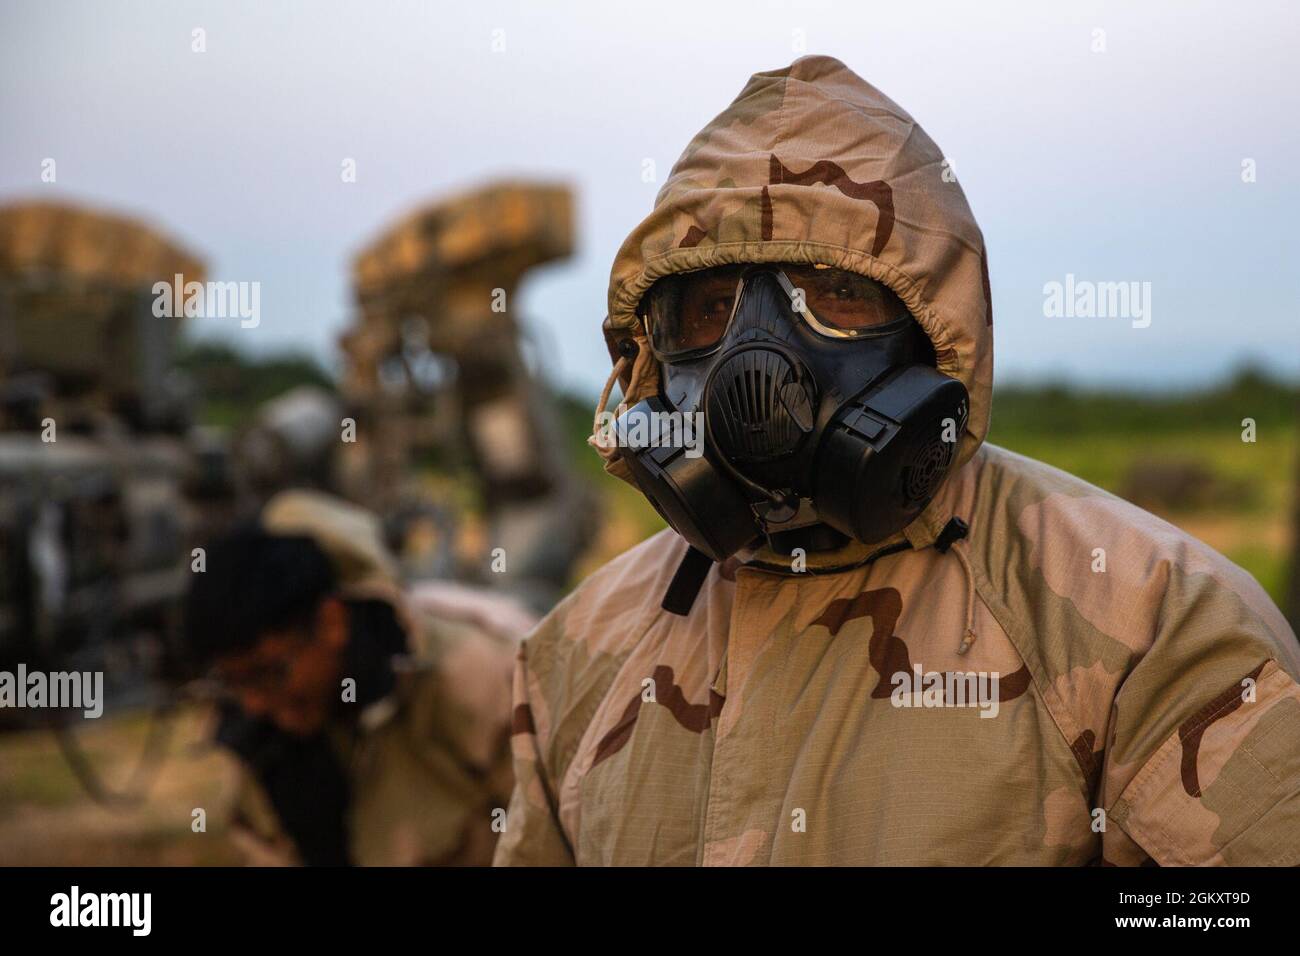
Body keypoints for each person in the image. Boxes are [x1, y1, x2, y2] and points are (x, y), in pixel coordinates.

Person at [494, 55, 1300, 866]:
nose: (755, 365)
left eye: (837, 294)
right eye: (707, 308)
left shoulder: (1153, 629)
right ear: (648, 364)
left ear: (936, 332)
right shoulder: (574, 659)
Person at [184, 490, 525, 865]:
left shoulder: (475, 681)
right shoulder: (265, 744)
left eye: (268, 674)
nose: (254, 702)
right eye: (234, 683)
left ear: (332, 622)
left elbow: (563, 836)